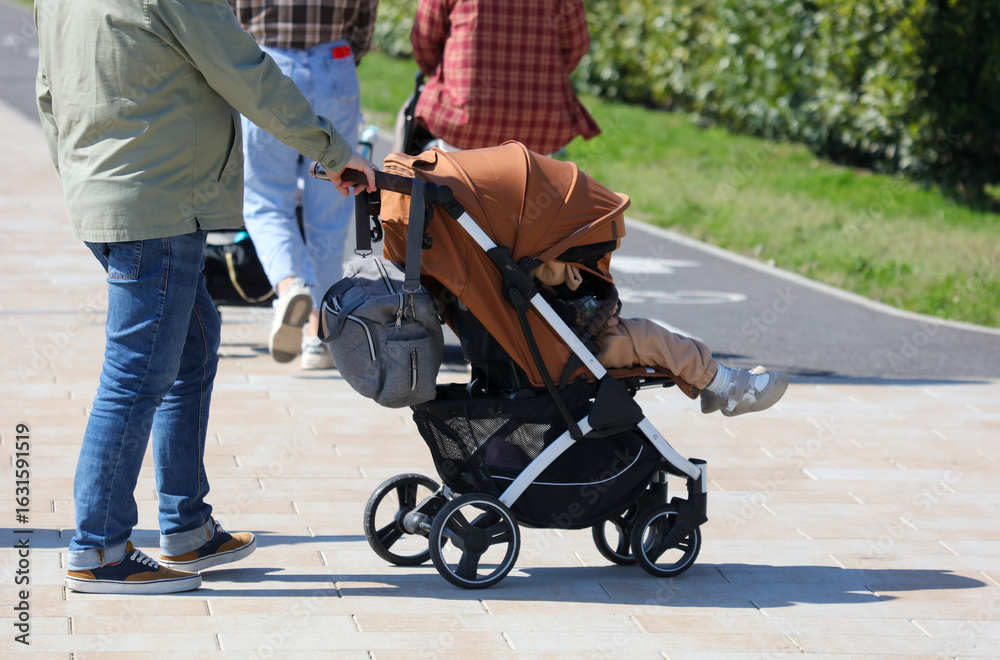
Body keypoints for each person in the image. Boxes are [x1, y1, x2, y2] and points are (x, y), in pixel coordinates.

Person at [35, 0, 375, 594]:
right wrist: (332, 148)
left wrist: (83, 181)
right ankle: (97, 549)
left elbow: (46, 92)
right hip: (157, 205)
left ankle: (186, 527)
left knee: (193, 343)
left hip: (107, 195)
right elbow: (245, 69)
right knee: (137, 376)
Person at [231, 0, 379, 369]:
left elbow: (229, 17)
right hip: (335, 61)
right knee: (333, 200)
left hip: (268, 63)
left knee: (266, 198)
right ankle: (320, 334)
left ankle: (290, 285)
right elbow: (364, 16)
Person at [531, 261, 789, 416]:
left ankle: (711, 383)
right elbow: (557, 311)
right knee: (645, 336)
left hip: (543, 348)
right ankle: (728, 388)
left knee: (657, 341)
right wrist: (589, 310)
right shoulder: (524, 275)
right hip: (562, 353)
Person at [402, 0, 600, 155]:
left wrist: (442, 76)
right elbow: (575, 44)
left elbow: (425, 39)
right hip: (539, 124)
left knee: (450, 192)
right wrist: (542, 78)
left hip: (464, 119)